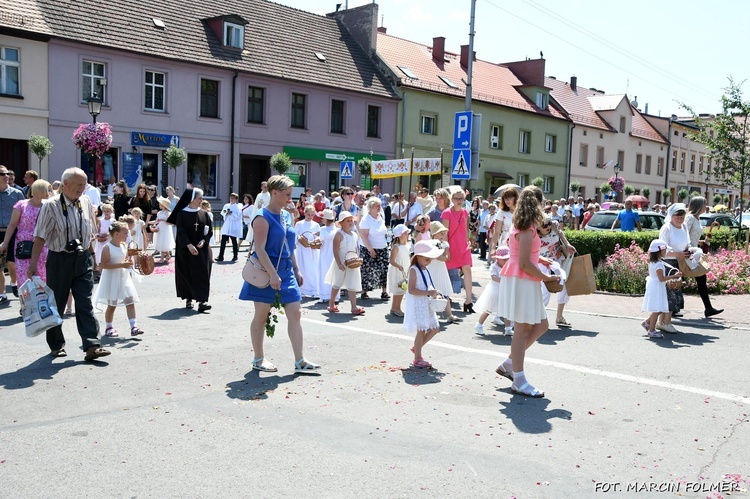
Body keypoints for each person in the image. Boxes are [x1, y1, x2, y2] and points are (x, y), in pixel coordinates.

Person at [239, 175, 320, 374]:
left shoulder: (285, 215)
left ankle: (300, 360)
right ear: (274, 193)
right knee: (261, 315)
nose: (290, 199)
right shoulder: (262, 217)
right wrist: (273, 274)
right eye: (287, 195)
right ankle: (258, 358)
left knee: (296, 313)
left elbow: (289, 245)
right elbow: (260, 249)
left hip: (286, 270)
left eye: (290, 195)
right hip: (267, 271)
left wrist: (296, 268)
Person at [27, 167, 110, 361]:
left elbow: (89, 230)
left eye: (84, 184)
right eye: (79, 184)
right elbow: (40, 236)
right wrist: (32, 265)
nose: (83, 188)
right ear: (65, 184)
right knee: (57, 303)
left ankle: (92, 345)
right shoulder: (51, 205)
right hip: (59, 259)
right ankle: (56, 345)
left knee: (84, 302)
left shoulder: (86, 201)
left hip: (82, 259)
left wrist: (93, 256)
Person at [494, 185, 560, 398]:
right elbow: (522, 262)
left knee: (541, 325)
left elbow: (518, 252)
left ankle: (510, 364)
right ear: (537, 205)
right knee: (522, 331)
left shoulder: (521, 224)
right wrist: (547, 277)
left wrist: (539, 258)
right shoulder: (528, 228)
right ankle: (519, 379)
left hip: (521, 279)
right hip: (522, 279)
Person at [0, 179, 52, 312]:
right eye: (47, 189)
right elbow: (12, 224)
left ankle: (42, 304)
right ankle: (26, 306)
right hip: (23, 245)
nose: (49, 192)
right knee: (24, 276)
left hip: (42, 245)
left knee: (42, 274)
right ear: (40, 190)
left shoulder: (48, 205)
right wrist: (5, 243)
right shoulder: (21, 205)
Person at [94, 221, 144, 337]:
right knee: (112, 304)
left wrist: (127, 262)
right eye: (125, 233)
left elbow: (124, 260)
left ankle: (134, 326)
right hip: (112, 278)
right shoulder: (107, 247)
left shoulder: (124, 245)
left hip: (123, 277)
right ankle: (109, 327)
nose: (127, 235)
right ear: (116, 234)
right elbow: (104, 265)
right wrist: (121, 265)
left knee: (130, 301)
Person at [167, 188, 212, 313]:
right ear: (192, 199)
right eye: (199, 198)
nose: (201, 201)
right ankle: (188, 298)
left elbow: (210, 231)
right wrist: (189, 245)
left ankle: (202, 301)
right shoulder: (182, 214)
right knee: (187, 273)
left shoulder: (204, 214)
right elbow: (181, 232)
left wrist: (204, 241)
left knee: (202, 274)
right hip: (186, 250)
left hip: (201, 250)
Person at [404, 240, 443, 368]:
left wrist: (434, 293)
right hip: (419, 303)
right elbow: (411, 290)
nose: (429, 261)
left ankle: (417, 347)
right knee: (421, 330)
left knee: (435, 328)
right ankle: (417, 358)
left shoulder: (424, 268)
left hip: (426, 302)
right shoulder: (414, 270)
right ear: (418, 257)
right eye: (427, 259)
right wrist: (428, 292)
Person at [685, 196, 723, 317]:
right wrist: (689, 247)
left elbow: (692, 235)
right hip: (688, 253)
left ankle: (708, 308)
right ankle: (672, 307)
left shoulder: (697, 218)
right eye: (704, 204)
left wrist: (700, 242)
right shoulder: (690, 218)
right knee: (679, 279)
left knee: (701, 278)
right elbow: (685, 234)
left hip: (694, 252)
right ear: (699, 205)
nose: (706, 206)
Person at [537, 217, 576, 328]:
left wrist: (567, 244)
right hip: (542, 263)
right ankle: (538, 318)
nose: (548, 227)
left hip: (557, 261)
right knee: (545, 291)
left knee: (564, 287)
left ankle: (559, 317)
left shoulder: (554, 224)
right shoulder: (532, 233)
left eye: (548, 224)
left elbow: (560, 233)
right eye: (544, 226)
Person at [325, 211, 365, 315]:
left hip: (352, 262)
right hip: (342, 262)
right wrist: (339, 263)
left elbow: (356, 248)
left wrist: (357, 258)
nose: (350, 223)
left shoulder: (354, 234)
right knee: (337, 283)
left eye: (351, 220)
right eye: (348, 221)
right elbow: (335, 250)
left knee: (352, 284)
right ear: (341, 223)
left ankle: (354, 307)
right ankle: (331, 304)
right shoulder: (339, 234)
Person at [442, 187, 474, 313]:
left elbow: (466, 230)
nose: (459, 201)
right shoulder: (447, 213)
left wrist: (469, 241)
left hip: (463, 246)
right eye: (456, 198)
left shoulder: (465, 212)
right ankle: (446, 298)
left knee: (467, 270)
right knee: (447, 272)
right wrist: (446, 249)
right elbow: (445, 233)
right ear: (451, 199)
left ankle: (469, 301)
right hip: (452, 246)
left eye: (461, 198)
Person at [641, 239, 680, 339]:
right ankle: (651, 330)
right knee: (657, 309)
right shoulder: (658, 264)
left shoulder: (654, 262)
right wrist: (674, 276)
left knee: (659, 308)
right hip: (657, 287)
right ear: (659, 251)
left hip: (655, 286)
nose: (666, 252)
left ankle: (647, 323)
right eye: (664, 250)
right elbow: (661, 278)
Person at [0, 165, 24, 302]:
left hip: (14, 232)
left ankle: (13, 282)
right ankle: (2, 293)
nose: (6, 176)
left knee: (12, 263)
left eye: (7, 173)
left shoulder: (17, 193)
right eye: (2, 174)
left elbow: (23, 214)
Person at [428, 222, 461, 323]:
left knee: (444, 291)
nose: (443, 235)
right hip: (432, 268)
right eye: (440, 233)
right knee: (430, 291)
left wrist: (444, 255)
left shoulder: (444, 244)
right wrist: (442, 256)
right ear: (434, 234)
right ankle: (430, 315)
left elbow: (446, 257)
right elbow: (437, 257)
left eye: (444, 233)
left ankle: (449, 315)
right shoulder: (430, 244)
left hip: (441, 269)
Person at [474, 246, 510, 336]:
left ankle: (508, 328)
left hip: (505, 290)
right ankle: (479, 324)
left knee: (506, 309)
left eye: (507, 259)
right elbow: (493, 277)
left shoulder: (508, 266)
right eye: (503, 259)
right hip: (495, 290)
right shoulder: (494, 266)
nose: (505, 261)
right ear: (497, 258)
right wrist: (503, 281)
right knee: (488, 309)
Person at [359, 196, 389, 300]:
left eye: (379, 206)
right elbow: (364, 236)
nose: (379, 207)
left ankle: (384, 291)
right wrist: (371, 249)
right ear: (371, 207)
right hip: (369, 248)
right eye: (377, 206)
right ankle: (364, 291)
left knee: (384, 269)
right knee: (367, 270)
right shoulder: (366, 219)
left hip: (382, 247)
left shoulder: (380, 216)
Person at [294, 204, 321, 298]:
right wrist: (300, 239)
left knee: (312, 270)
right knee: (302, 268)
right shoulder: (299, 224)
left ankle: (314, 290)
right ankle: (302, 289)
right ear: (305, 213)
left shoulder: (316, 225)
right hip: (302, 250)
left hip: (312, 250)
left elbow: (319, 237)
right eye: (308, 214)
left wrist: (314, 242)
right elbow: (295, 235)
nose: (310, 217)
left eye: (312, 215)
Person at [387, 224, 411, 317]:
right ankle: (397, 308)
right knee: (399, 290)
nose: (407, 234)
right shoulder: (396, 247)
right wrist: (398, 266)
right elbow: (391, 260)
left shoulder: (407, 245)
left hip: (405, 270)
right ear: (399, 235)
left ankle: (394, 308)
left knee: (401, 290)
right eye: (405, 233)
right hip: (398, 271)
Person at [316, 209, 337, 305]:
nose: (322, 220)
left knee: (333, 274)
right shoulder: (322, 229)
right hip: (324, 253)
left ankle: (335, 296)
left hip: (333, 254)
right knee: (323, 273)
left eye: (323, 218)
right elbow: (320, 241)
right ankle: (323, 295)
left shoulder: (336, 229)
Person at [216, 193, 242, 262]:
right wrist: (226, 213)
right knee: (223, 241)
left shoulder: (238, 207)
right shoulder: (226, 205)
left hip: (233, 226)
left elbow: (238, 216)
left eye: (233, 198)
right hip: (227, 225)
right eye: (231, 198)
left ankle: (235, 256)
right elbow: (223, 212)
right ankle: (221, 256)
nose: (231, 200)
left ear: (236, 200)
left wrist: (232, 213)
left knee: (234, 241)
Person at [152, 197, 174, 263]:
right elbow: (156, 220)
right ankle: (167, 255)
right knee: (161, 242)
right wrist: (154, 225)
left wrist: (162, 220)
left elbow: (169, 222)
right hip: (160, 228)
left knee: (164, 242)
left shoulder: (168, 213)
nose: (159, 205)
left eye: (160, 204)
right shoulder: (159, 213)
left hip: (165, 229)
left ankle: (162, 258)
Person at [94, 203, 115, 270]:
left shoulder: (112, 221)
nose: (106, 213)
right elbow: (98, 229)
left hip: (108, 239)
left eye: (108, 211)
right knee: (99, 254)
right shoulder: (101, 220)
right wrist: (98, 236)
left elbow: (113, 230)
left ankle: (108, 269)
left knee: (108, 254)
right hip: (101, 240)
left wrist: (107, 234)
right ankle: (100, 271)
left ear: (111, 211)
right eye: (105, 211)